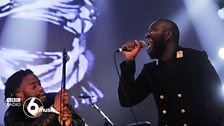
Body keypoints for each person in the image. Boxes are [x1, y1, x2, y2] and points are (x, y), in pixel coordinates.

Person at [118, 19, 224, 126]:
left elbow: (217, 102)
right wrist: (129, 61)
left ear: (167, 34)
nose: (146, 35)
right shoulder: (151, 70)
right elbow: (127, 100)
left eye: (152, 31)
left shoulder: (195, 59)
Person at [4, 69, 85, 126]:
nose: (41, 88)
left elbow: (80, 122)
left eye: (39, 84)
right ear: (19, 95)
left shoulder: (53, 99)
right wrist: (54, 110)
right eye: (33, 87)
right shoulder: (12, 114)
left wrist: (70, 123)